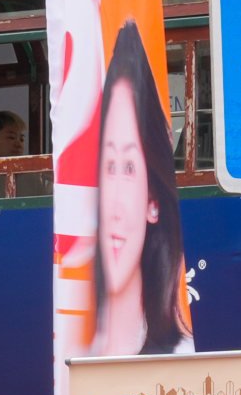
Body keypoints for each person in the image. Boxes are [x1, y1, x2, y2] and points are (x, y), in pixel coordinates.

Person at [73, 23, 187, 357]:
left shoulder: (181, 358)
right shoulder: (68, 355)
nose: (115, 207)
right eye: (107, 166)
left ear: (153, 202)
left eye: (128, 168)